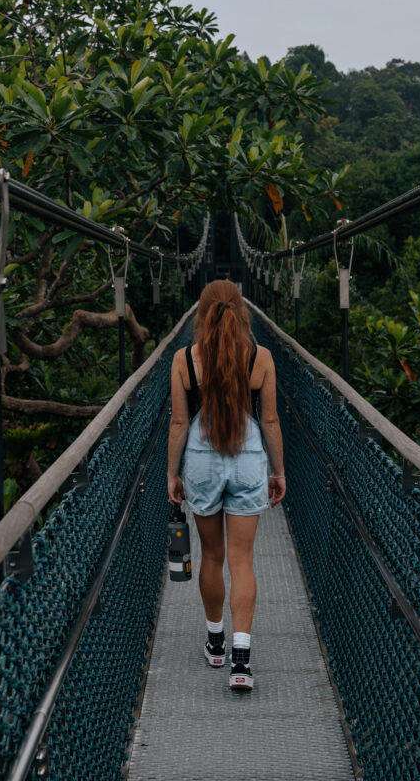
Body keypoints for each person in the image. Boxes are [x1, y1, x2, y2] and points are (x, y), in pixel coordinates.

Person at [167, 279, 286, 691]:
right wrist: (278, 471)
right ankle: (241, 661)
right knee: (242, 560)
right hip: (248, 462)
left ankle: (215, 643)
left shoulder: (184, 359)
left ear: (200, 313)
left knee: (212, 556)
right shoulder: (261, 356)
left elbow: (180, 422)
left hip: (200, 464)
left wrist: (172, 473)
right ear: (242, 311)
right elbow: (269, 420)